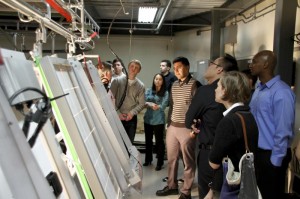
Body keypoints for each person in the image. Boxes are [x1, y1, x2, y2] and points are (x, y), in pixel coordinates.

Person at [185, 54, 239, 199]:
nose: (208, 66)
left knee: (209, 194)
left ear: (220, 70)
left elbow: (188, 119)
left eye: (211, 64)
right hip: (234, 154)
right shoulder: (237, 92)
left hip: (211, 154)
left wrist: (196, 122)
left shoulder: (206, 91)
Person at [249, 50, 295, 199]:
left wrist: (275, 162)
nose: (251, 65)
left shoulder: (281, 91)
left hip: (271, 155)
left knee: (270, 194)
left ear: (266, 64)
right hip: (257, 153)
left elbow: (283, 129)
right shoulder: (259, 89)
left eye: (255, 61)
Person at [207, 71, 259, 198]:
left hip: (231, 184)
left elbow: (214, 162)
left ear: (225, 91)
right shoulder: (248, 115)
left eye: (218, 86)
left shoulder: (228, 122)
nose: (215, 90)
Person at [156, 56, 201, 199]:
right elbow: (172, 106)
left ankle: (186, 191)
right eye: (174, 68)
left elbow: (199, 109)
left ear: (187, 67)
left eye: (179, 67)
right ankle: (172, 186)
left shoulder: (195, 85)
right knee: (171, 159)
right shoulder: (174, 85)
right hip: (173, 127)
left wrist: (195, 130)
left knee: (188, 162)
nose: (176, 71)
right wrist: (169, 125)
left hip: (187, 129)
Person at [110, 59, 145, 143]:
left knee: (129, 144)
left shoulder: (141, 85)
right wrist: (118, 113)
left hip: (131, 119)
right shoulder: (117, 81)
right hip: (117, 117)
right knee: (117, 143)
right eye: (132, 66)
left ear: (139, 71)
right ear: (128, 67)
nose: (133, 69)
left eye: (136, 68)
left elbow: (142, 103)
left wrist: (132, 113)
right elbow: (110, 98)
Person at [143, 73, 169, 171]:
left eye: (160, 79)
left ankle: (160, 162)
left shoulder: (165, 92)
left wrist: (156, 106)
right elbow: (144, 102)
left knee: (159, 142)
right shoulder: (149, 90)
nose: (158, 81)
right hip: (148, 119)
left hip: (159, 120)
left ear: (163, 81)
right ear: (154, 80)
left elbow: (164, 105)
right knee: (148, 141)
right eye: (156, 79)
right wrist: (149, 104)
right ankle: (148, 159)